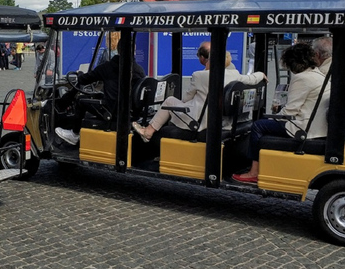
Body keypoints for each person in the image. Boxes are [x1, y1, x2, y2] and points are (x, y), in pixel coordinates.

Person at [232, 42, 330, 184]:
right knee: (265, 122)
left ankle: (254, 171)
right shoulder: (319, 74)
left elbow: (290, 111)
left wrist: (273, 115)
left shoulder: (302, 78)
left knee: (258, 125)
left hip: (303, 128)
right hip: (317, 125)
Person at [132, 52, 266, 142]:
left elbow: (185, 99)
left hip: (200, 122)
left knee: (170, 101)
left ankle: (148, 131)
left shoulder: (200, 75)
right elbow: (252, 78)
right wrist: (261, 75)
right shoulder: (235, 74)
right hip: (223, 122)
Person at [55, 53, 145, 145]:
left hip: (112, 111)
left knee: (80, 100)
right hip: (129, 112)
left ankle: (74, 134)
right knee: (98, 95)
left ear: (118, 50)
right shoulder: (139, 70)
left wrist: (80, 74)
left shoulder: (107, 67)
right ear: (133, 51)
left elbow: (85, 79)